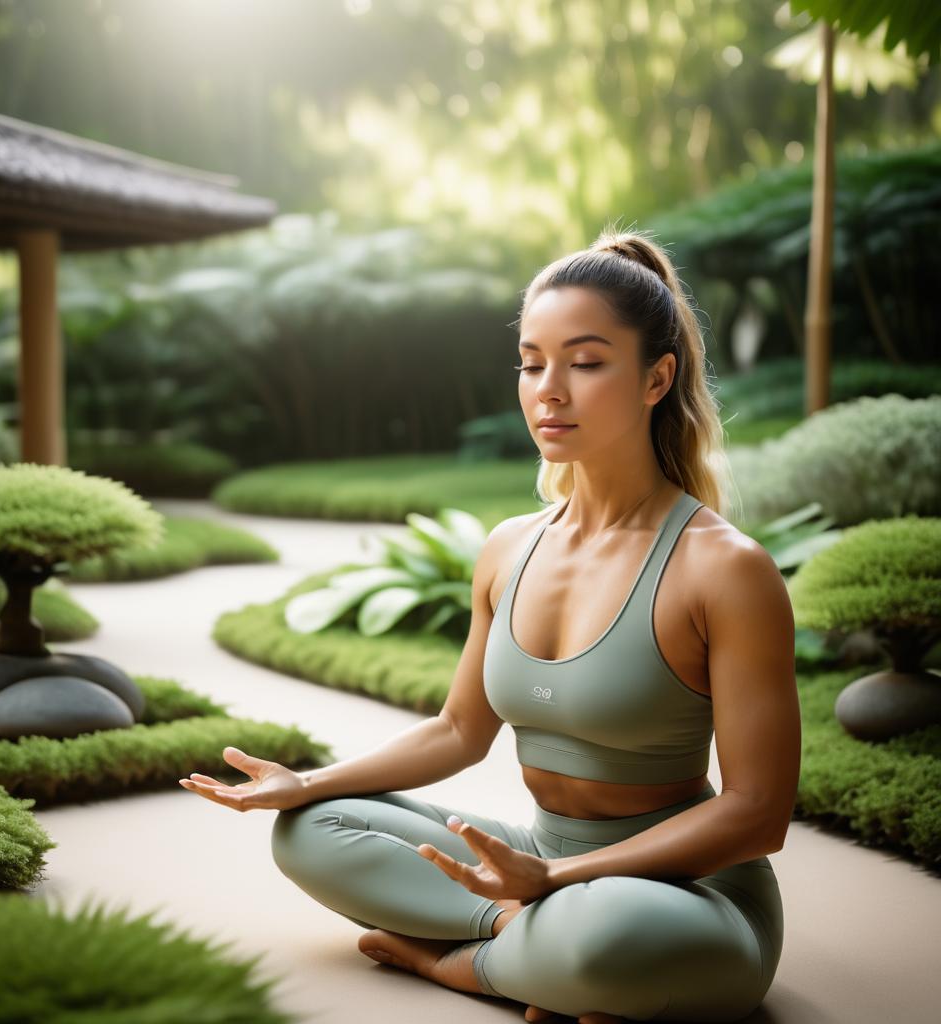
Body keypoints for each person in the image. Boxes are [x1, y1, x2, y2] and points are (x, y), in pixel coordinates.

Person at [179, 225, 801, 1023]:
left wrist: (562, 885)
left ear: (657, 378)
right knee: (308, 831)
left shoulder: (724, 569)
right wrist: (307, 782)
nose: (550, 389)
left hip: (683, 894)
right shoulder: (510, 549)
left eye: (585, 362)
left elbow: (758, 813)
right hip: (537, 860)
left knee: (602, 934)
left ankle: (468, 965)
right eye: (533, 362)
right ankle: (525, 946)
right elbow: (457, 731)